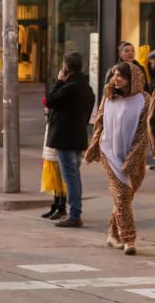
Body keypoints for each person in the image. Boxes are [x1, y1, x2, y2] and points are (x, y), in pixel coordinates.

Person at [85, 62, 148, 255]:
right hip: (109, 153)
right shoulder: (109, 96)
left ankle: (112, 235)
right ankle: (129, 240)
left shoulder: (144, 100)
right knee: (121, 197)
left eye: (121, 76)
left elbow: (142, 132)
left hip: (134, 158)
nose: (116, 79)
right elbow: (100, 123)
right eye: (115, 75)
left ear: (132, 79)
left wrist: (131, 159)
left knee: (125, 199)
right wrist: (94, 147)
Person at [45, 52, 96, 228]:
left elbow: (50, 100)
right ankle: (75, 211)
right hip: (79, 137)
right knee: (75, 175)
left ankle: (75, 214)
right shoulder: (87, 89)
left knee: (71, 177)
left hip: (65, 139)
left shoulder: (69, 87)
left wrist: (59, 81)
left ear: (66, 67)